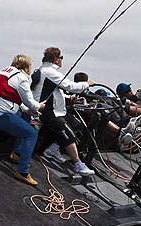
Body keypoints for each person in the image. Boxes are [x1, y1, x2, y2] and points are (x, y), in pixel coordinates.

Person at [0, 54, 46, 185]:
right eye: (30, 67)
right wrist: (40, 106)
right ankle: (22, 172)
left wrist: (28, 110)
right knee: (31, 134)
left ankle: (17, 152)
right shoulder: (22, 78)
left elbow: (13, 99)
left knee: (24, 117)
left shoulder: (5, 72)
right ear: (26, 68)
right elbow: (32, 103)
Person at [32, 47, 95, 176]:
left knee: (77, 125)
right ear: (55, 59)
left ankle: (53, 150)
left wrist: (68, 98)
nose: (62, 60)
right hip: (47, 112)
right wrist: (86, 84)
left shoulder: (45, 70)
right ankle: (78, 164)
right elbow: (70, 86)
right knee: (66, 132)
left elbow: (55, 91)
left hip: (58, 111)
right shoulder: (49, 72)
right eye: (61, 58)